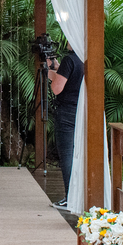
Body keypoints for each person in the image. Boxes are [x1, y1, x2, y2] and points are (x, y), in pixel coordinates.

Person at [48, 43, 84, 206]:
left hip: (67, 111)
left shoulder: (70, 60)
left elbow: (57, 88)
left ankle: (71, 196)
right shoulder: (85, 58)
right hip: (82, 110)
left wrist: (50, 74)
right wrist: (57, 69)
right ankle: (81, 194)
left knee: (67, 154)